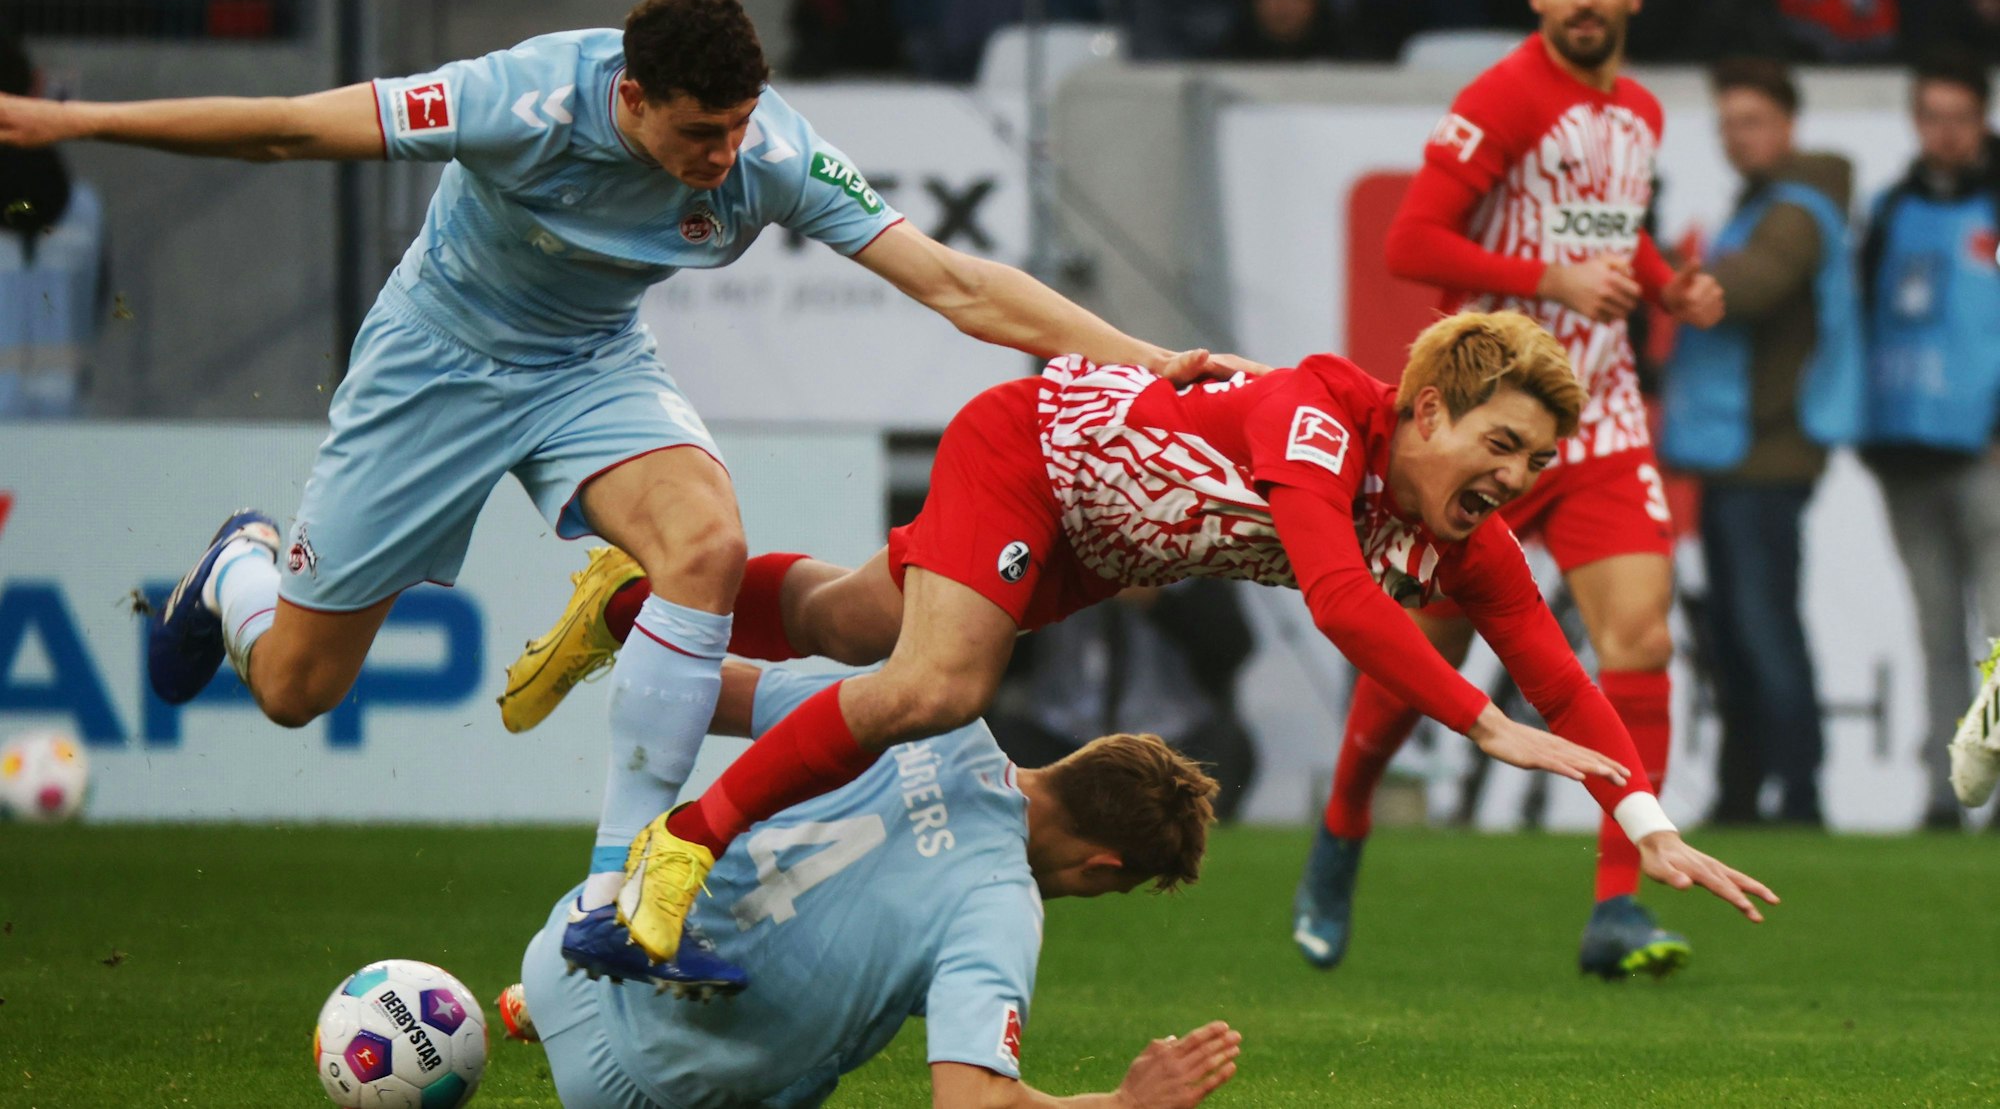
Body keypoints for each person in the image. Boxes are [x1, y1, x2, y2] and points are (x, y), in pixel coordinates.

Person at [0, 0, 1251, 990]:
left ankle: (619, 896)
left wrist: (1143, 360)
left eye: (739, 129)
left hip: (590, 367)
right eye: (698, 133)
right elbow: (287, 127)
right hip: (437, 363)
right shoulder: (521, 98)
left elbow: (956, 285)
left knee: (704, 545)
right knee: (291, 691)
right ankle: (243, 574)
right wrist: (73, 123)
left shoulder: (768, 151)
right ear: (632, 97)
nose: (724, 157)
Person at [507, 311, 1778, 981]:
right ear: (1426, 408)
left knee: (845, 618)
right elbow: (1340, 605)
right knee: (937, 687)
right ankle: (685, 847)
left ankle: (628, 615)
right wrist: (1481, 723)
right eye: (1496, 447)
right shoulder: (1322, 411)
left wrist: (1650, 825)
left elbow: (1567, 675)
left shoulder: (1470, 541)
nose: (1512, 480)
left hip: (1102, 548)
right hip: (1033, 451)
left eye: (1536, 465)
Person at [1308, 0, 1729, 981]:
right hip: (1484, 421)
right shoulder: (1501, 98)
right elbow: (1408, 242)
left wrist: (1667, 286)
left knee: (1640, 638)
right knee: (1421, 664)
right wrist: (1550, 281)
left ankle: (1616, 905)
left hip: (1601, 416)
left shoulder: (1640, 111)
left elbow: (1604, 227)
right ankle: (1341, 825)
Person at [502, 660, 1241, 1108]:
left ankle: (531, 1005)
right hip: (641, 1090)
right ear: (1103, 867)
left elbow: (697, 691)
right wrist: (1122, 1100)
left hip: (568, 950)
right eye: (1104, 890)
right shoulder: (997, 904)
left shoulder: (932, 714)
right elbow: (969, 1101)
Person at [1660, 59, 1861, 826]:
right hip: (1737, 452)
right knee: (1740, 631)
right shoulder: (1770, 203)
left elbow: (1748, 288)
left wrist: (1660, 272)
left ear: (1787, 124)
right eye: (1726, 125)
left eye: (1750, 121)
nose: (1735, 139)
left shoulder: (1796, 209)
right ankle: (1745, 789)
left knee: (1763, 626)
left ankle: (1798, 791)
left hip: (1766, 452)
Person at [1857, 50, 2000, 828]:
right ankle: (1947, 793)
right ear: (1917, 122)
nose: (1945, 133)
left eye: (1960, 117)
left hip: (1986, 449)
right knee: (1939, 633)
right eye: (1932, 117)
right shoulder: (1887, 210)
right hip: (1906, 448)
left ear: (1983, 121)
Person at [986, 581, 1260, 820]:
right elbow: (992, 658)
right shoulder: (1038, 560)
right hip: (1056, 732)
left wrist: (1157, 600)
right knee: (1001, 746)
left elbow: (1233, 648)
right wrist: (1045, 598)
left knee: (1222, 747)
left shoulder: (1189, 560)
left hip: (1173, 734)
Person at [0, 30, 104, 418]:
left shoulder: (83, 207)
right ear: (38, 86)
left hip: (61, 430)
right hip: (66, 422)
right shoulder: (85, 208)